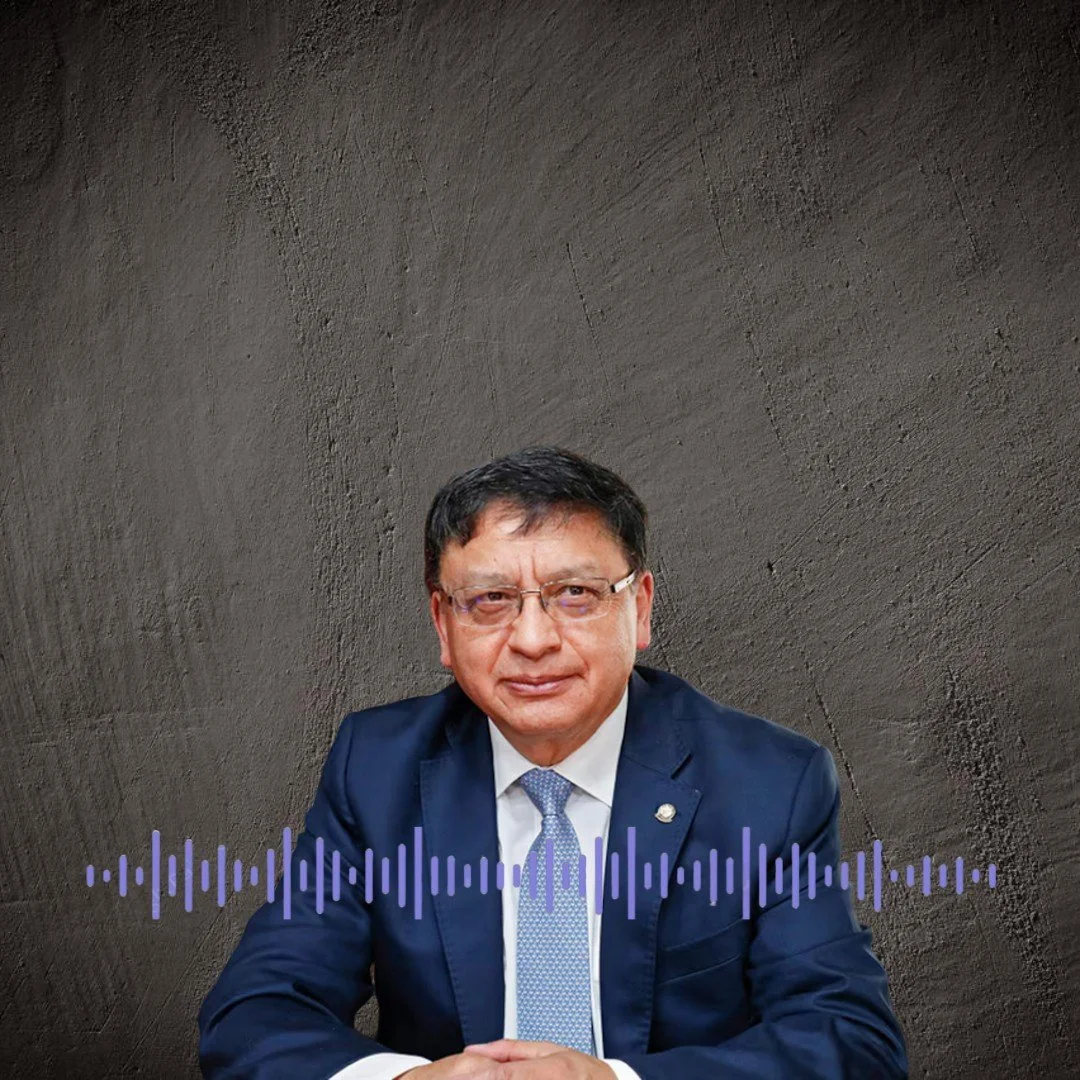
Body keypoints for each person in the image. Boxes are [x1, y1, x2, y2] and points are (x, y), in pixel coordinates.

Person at [198, 446, 908, 1080]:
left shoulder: (769, 782)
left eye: (575, 594)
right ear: (443, 624)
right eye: (491, 600)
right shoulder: (377, 768)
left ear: (640, 609)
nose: (533, 639)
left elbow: (850, 1042)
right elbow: (254, 1014)